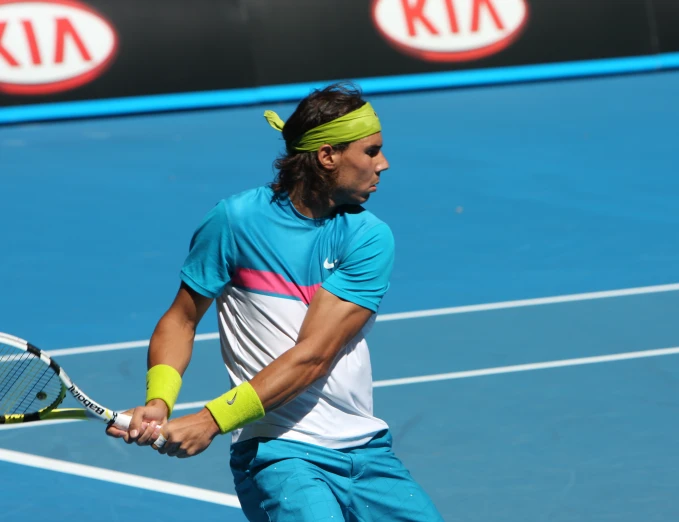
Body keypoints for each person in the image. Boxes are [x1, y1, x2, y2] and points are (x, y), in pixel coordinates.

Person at [106, 83, 444, 522]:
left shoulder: (367, 238)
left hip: (365, 449)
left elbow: (312, 357)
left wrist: (210, 419)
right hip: (279, 453)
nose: (383, 164)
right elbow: (182, 319)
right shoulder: (234, 222)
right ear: (327, 156)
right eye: (371, 151)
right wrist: (159, 400)